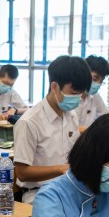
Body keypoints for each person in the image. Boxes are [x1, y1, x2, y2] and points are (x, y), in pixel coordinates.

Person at [13, 55, 90, 204]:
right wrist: (60, 169)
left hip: (68, 189)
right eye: (73, 93)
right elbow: (21, 173)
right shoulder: (29, 122)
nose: (77, 99)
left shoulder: (71, 115)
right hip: (38, 194)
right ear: (55, 87)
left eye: (80, 94)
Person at [75, 55, 109, 131]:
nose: (98, 84)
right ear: (84, 73)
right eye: (95, 78)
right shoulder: (69, 98)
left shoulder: (95, 96)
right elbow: (65, 128)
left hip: (86, 140)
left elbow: (106, 115)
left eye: (101, 81)